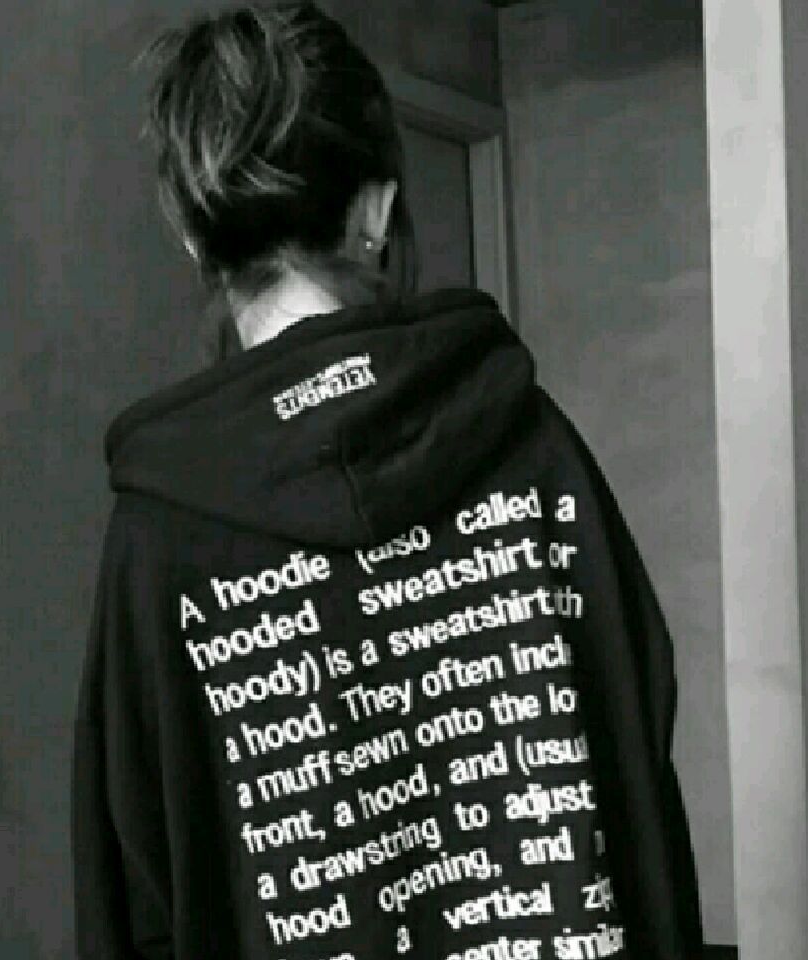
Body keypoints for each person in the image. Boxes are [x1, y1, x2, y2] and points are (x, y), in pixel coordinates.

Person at [70, 3, 704, 959]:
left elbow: (135, 906)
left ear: (198, 241)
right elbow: (638, 782)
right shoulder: (533, 449)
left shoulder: (158, 541)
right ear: (373, 214)